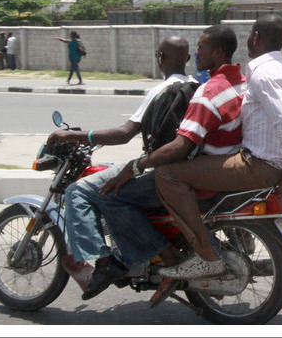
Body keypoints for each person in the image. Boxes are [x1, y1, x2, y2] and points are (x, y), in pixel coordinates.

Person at [151, 15, 282, 280]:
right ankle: (242, 240)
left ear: (255, 37)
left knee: (167, 174)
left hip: (258, 165)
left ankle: (206, 256)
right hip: (265, 161)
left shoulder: (262, 74)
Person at [47, 36, 195, 300]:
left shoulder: (161, 90)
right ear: (188, 59)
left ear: (159, 59)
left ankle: (104, 264)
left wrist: (76, 136)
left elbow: (124, 133)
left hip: (160, 170)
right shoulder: (197, 86)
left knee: (81, 192)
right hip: (188, 170)